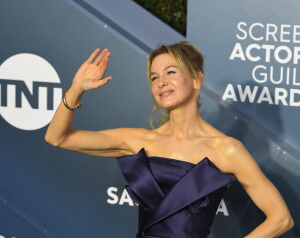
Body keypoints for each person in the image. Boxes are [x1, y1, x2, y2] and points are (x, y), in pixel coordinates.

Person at [45, 41, 294, 238]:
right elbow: (58, 138)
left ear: (196, 80)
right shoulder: (138, 140)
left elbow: (281, 219)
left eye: (170, 72)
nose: (161, 82)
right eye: (154, 77)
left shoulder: (226, 149)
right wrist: (76, 88)